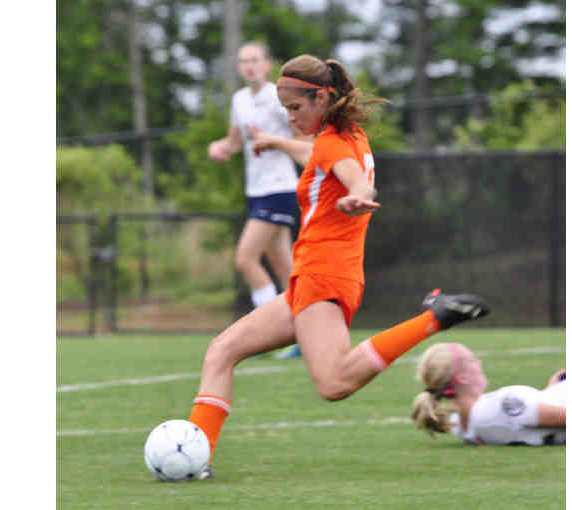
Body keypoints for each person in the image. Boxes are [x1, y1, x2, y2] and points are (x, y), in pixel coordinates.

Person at [188, 54, 490, 480]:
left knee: (333, 383)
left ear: (322, 97)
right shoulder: (349, 136)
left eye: (296, 107)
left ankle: (433, 319)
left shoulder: (332, 144)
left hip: (322, 276)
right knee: (221, 351)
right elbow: (322, 157)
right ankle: (195, 459)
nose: (290, 117)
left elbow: (352, 177)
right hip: (317, 277)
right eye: (285, 109)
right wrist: (279, 145)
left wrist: (358, 193)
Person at [208, 43, 307, 362]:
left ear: (267, 64)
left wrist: (274, 142)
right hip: (256, 190)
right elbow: (235, 142)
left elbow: (304, 140)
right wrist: (221, 148)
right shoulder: (239, 99)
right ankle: (307, 329)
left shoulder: (278, 98)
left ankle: (269, 334)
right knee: (283, 265)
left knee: (245, 259)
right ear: (239, 67)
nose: (249, 65)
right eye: (243, 61)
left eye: (254, 60)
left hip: (280, 188)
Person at [411, 342, 566, 445]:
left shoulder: (460, 426)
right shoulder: (502, 405)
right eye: (472, 360)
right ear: (462, 378)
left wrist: (551, 390)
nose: (479, 363)